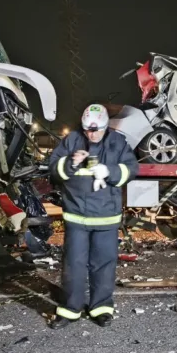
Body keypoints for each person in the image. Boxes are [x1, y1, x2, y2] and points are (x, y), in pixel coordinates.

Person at [48, 104, 139, 329]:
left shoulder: (117, 143)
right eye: (88, 130)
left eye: (96, 130)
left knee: (103, 265)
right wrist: (70, 163)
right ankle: (71, 310)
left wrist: (110, 171)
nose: (92, 134)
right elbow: (53, 169)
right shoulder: (71, 141)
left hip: (106, 218)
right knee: (74, 266)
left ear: (106, 126)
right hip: (76, 217)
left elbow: (131, 168)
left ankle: (101, 308)